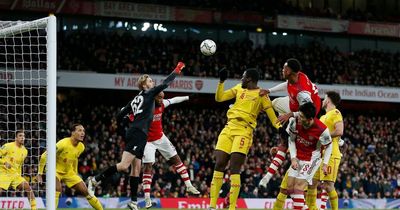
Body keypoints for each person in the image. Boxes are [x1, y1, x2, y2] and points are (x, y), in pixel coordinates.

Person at [87, 62, 185, 210]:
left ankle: (133, 202)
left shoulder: (135, 99)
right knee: (123, 165)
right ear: (145, 86)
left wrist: (128, 119)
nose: (153, 83)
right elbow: (166, 83)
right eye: (150, 81)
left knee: (136, 169)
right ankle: (95, 180)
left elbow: (120, 116)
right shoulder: (149, 93)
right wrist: (177, 70)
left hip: (137, 133)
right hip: (138, 133)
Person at [209, 68, 280, 210]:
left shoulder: (262, 95)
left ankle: (232, 207)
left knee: (234, 169)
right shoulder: (238, 89)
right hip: (228, 128)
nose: (241, 79)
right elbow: (219, 97)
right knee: (219, 164)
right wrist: (221, 82)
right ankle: (211, 206)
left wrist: (284, 131)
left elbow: (274, 119)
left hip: (244, 131)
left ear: (249, 79)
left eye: (243, 77)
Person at [259, 58, 321, 187]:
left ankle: (267, 177)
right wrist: (269, 91)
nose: (282, 70)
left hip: (306, 113)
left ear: (291, 72)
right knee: (274, 103)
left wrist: (291, 115)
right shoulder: (296, 77)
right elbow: (286, 84)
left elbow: (309, 111)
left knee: (287, 139)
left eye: (285, 68)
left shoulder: (302, 93)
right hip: (295, 105)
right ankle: (256, 113)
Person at [141, 91, 200, 208]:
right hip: (148, 142)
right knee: (148, 166)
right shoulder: (145, 108)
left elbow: (174, 99)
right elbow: (132, 113)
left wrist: (188, 97)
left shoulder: (162, 104)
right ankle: (147, 198)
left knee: (177, 159)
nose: (161, 100)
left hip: (161, 138)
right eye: (159, 97)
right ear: (154, 97)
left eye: (162, 97)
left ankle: (189, 185)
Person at [38, 124, 103, 210]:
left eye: (83, 131)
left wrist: (75, 173)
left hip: (68, 172)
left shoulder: (81, 147)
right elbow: (43, 156)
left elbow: (75, 159)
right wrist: (39, 173)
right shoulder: (63, 144)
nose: (83, 133)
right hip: (54, 170)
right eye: (79, 130)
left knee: (86, 191)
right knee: (58, 189)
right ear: (72, 132)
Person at [285, 102, 332, 210]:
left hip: (312, 159)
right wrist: (293, 157)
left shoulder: (322, 130)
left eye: (302, 117)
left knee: (298, 187)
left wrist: (325, 164)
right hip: (298, 157)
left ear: (310, 119)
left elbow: (329, 146)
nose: (299, 118)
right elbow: (291, 140)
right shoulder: (294, 122)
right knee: (289, 188)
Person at [306, 91, 343, 210]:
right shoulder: (322, 117)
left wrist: (323, 136)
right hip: (319, 155)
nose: (322, 101)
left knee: (328, 186)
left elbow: (339, 131)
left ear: (328, 100)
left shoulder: (336, 113)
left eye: (324, 99)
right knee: (311, 183)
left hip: (331, 154)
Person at [0, 130, 37, 210]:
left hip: (15, 175)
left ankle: (34, 208)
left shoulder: (25, 151)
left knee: (28, 187)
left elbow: (19, 165)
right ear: (16, 138)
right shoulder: (8, 146)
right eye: (20, 136)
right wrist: (4, 163)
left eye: (23, 136)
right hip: (4, 173)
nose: (22, 138)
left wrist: (19, 177)